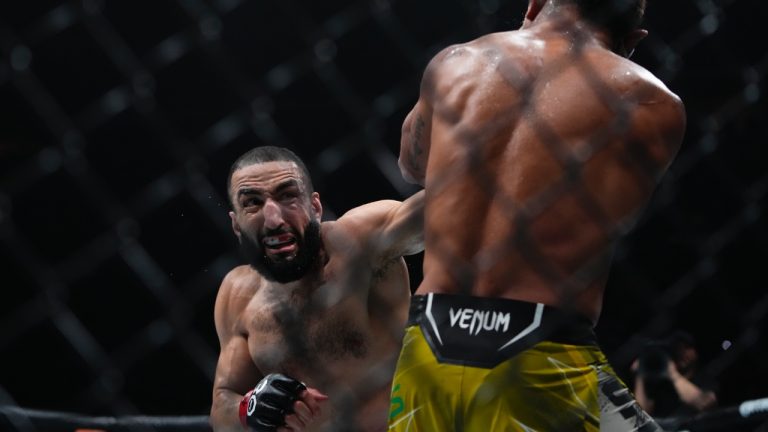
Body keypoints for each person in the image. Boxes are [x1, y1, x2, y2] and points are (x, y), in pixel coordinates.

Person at [389, 0, 685, 430]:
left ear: (534, 2)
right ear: (635, 39)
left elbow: (413, 166)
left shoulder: (453, 62)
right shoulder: (652, 102)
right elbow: (614, 213)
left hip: (426, 347)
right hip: (541, 355)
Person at [210, 146, 424, 431]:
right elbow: (221, 406)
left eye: (288, 196)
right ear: (236, 225)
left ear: (316, 207)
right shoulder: (238, 294)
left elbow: (448, 207)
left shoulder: (360, 243)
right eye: (252, 202)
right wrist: (248, 407)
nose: (274, 219)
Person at [633, 331, 718, 418]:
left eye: (686, 348)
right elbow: (642, 412)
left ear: (696, 352)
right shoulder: (661, 378)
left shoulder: (706, 380)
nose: (682, 353)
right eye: (678, 349)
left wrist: (673, 374)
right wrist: (641, 374)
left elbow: (703, 403)